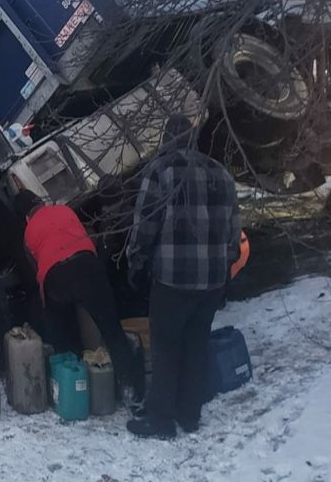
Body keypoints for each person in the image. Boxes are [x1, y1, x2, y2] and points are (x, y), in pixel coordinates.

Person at [124, 115, 241, 439]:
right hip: (212, 281)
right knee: (195, 345)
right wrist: (225, 267)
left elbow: (145, 224)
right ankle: (189, 415)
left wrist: (137, 262)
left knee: (165, 347)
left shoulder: (161, 171)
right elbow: (234, 231)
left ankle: (160, 422)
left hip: (173, 280)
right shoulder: (221, 174)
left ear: (165, 140)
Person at [14, 189, 143, 402]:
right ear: (41, 202)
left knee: (62, 331)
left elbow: (36, 270)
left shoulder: (29, 233)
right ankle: (129, 389)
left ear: (26, 217)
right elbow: (86, 235)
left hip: (55, 277)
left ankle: (73, 385)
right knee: (112, 330)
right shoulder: (64, 210)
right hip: (87, 267)